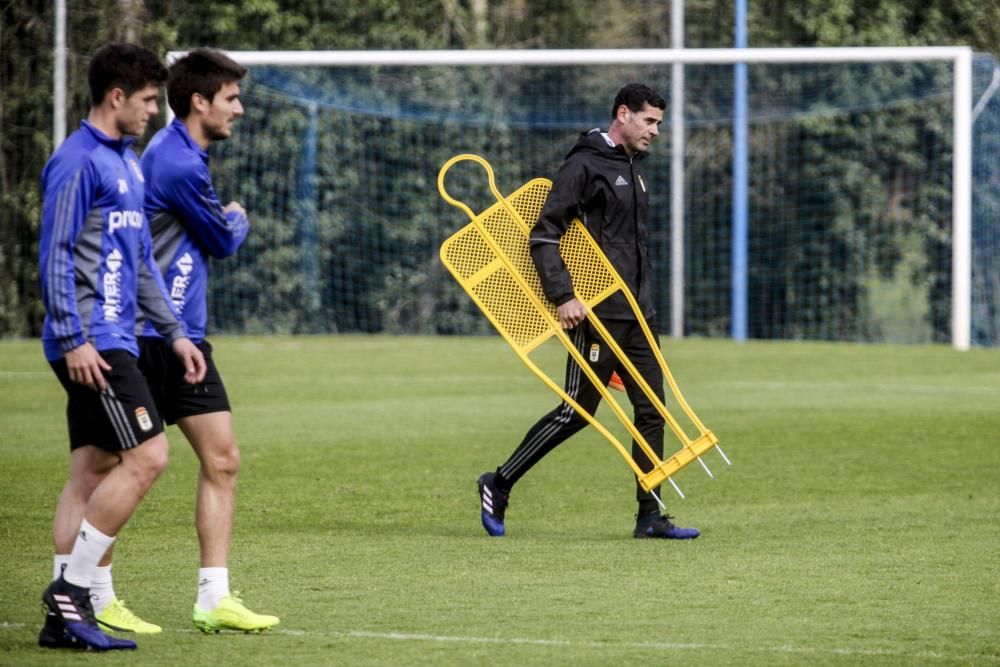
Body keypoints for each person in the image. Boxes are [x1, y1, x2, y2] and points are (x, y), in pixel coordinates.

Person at [38, 42, 207, 651]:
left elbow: (139, 266)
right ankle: (74, 592)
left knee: (90, 472)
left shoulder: (129, 164)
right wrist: (74, 335)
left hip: (119, 338)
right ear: (116, 97)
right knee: (150, 456)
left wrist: (176, 332)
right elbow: (54, 253)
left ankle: (63, 618)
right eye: (144, 101)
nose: (151, 112)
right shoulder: (78, 162)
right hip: (93, 343)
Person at [476, 83, 700, 540]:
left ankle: (650, 516)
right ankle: (498, 483)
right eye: (650, 121)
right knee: (577, 412)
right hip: (596, 314)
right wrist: (563, 297)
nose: (657, 131)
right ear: (624, 113)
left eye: (659, 122)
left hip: (639, 312)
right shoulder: (583, 164)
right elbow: (543, 234)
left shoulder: (635, 169)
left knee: (653, 410)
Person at [135, 48, 278, 633]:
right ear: (200, 101)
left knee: (222, 459)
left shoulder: (185, 154)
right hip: (146, 337)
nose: (239, 109)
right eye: (231, 98)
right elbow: (221, 239)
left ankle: (213, 599)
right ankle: (89, 591)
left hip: (186, 338)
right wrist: (237, 216)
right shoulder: (176, 164)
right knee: (113, 471)